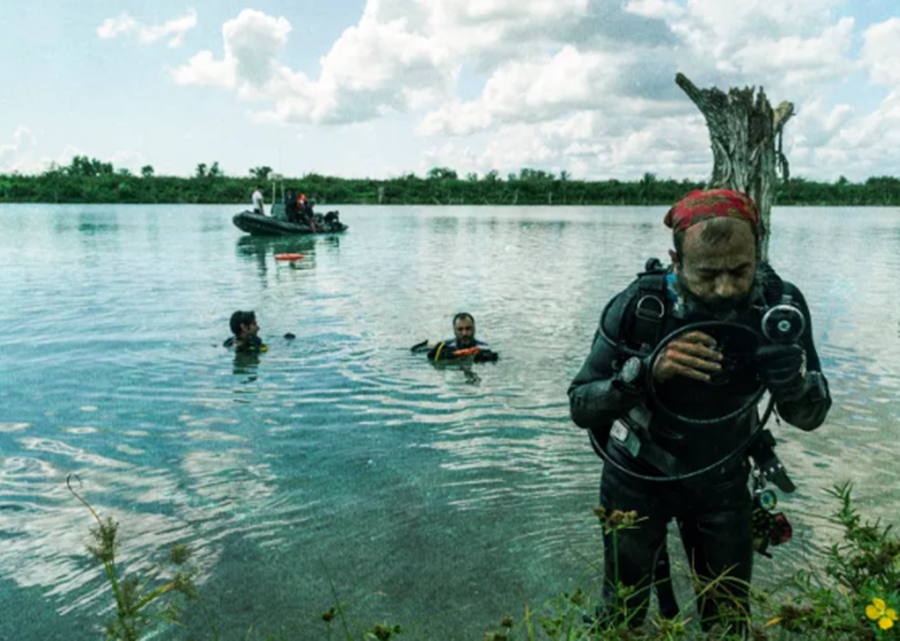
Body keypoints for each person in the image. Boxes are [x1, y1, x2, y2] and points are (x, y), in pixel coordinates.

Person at [568, 189, 831, 632]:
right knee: (621, 612)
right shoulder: (641, 306)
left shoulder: (779, 306)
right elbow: (581, 405)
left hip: (723, 477)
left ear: (757, 253)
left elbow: (810, 417)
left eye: (740, 270)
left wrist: (792, 382)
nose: (725, 288)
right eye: (707, 275)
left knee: (728, 618)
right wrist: (646, 373)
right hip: (637, 474)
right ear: (676, 261)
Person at [423, 312, 498, 363]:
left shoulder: (484, 347)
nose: (464, 333)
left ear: (474, 328)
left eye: (468, 328)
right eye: (460, 329)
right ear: (454, 330)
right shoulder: (444, 346)